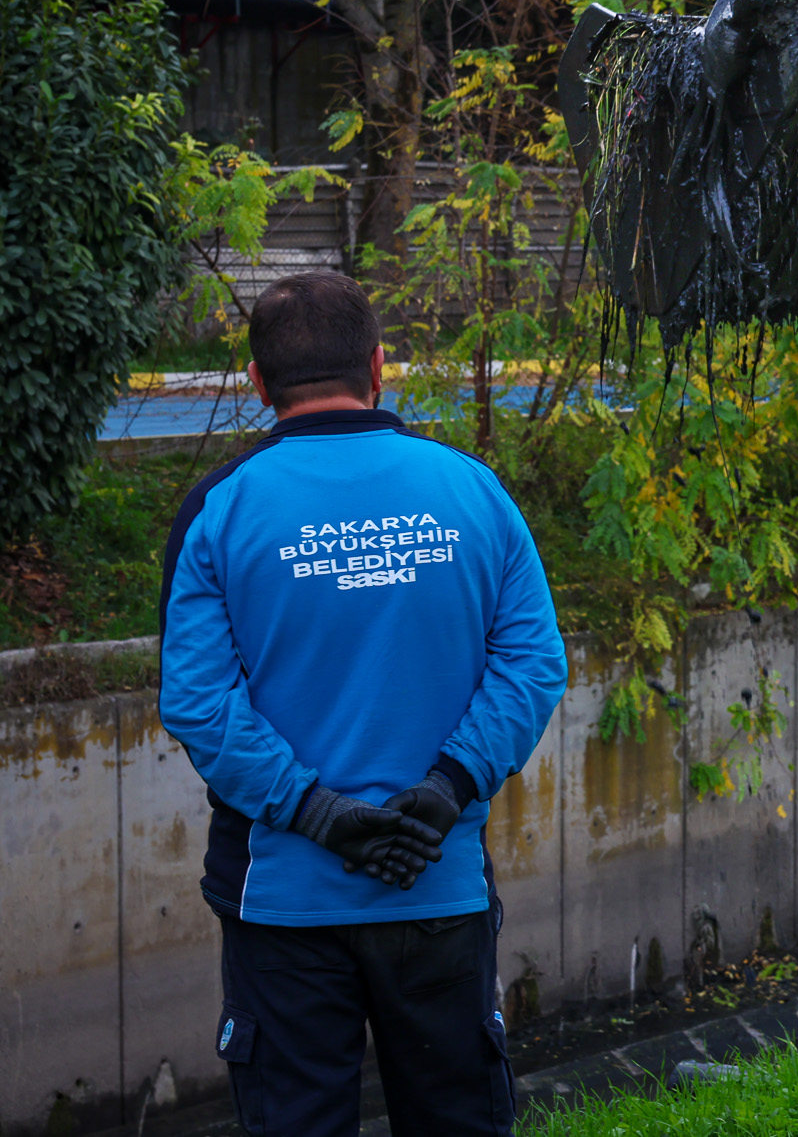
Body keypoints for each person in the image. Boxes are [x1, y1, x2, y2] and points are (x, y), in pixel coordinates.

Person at [158, 271, 568, 1136]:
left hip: (284, 903)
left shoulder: (219, 509)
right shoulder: (473, 490)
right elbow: (532, 662)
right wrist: (449, 786)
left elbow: (198, 701)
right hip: (439, 880)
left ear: (260, 382)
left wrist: (315, 811)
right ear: (380, 366)